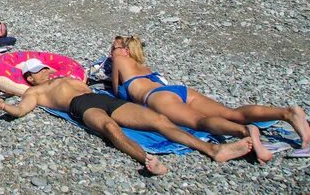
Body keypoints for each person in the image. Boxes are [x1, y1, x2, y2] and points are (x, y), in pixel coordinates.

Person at [0, 60, 253, 174]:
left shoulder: (66, 77)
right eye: (40, 71)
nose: (47, 72)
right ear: (30, 77)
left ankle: (212, 149)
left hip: (104, 99)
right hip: (81, 106)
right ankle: (146, 159)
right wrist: (5, 108)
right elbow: (21, 110)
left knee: (159, 121)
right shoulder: (35, 92)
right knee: (109, 127)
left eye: (46, 68)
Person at [110, 35, 309, 162]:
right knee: (231, 112)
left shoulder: (119, 60)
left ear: (125, 50)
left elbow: (118, 91)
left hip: (155, 97)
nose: (111, 52)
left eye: (114, 47)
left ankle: (244, 131)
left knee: (199, 121)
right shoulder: (144, 66)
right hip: (178, 90)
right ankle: (286, 112)